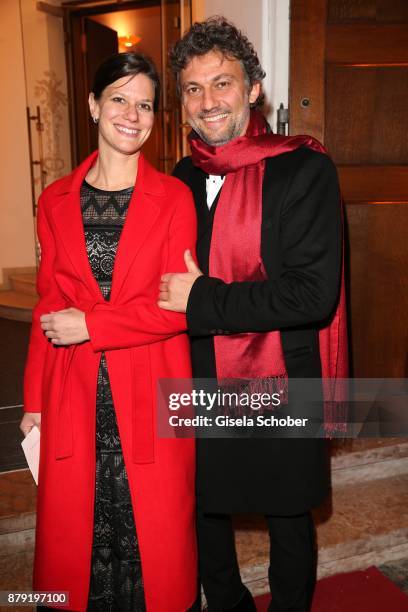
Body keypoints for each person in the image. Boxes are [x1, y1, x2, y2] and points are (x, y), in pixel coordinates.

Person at [159, 17, 348, 612]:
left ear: (253, 89)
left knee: (288, 513)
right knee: (203, 504)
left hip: (282, 375)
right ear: (182, 103)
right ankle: (227, 600)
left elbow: (311, 295)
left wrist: (205, 299)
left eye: (223, 83)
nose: (209, 101)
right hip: (196, 373)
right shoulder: (177, 181)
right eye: (194, 88)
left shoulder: (305, 168)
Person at [20, 52, 197, 612]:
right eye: (119, 98)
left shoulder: (174, 198)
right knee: (81, 528)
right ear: (94, 104)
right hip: (72, 389)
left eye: (145, 103)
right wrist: (33, 401)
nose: (133, 114)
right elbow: (47, 307)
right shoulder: (54, 200)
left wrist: (91, 324)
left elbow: (177, 310)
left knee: (153, 529)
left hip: (151, 383)